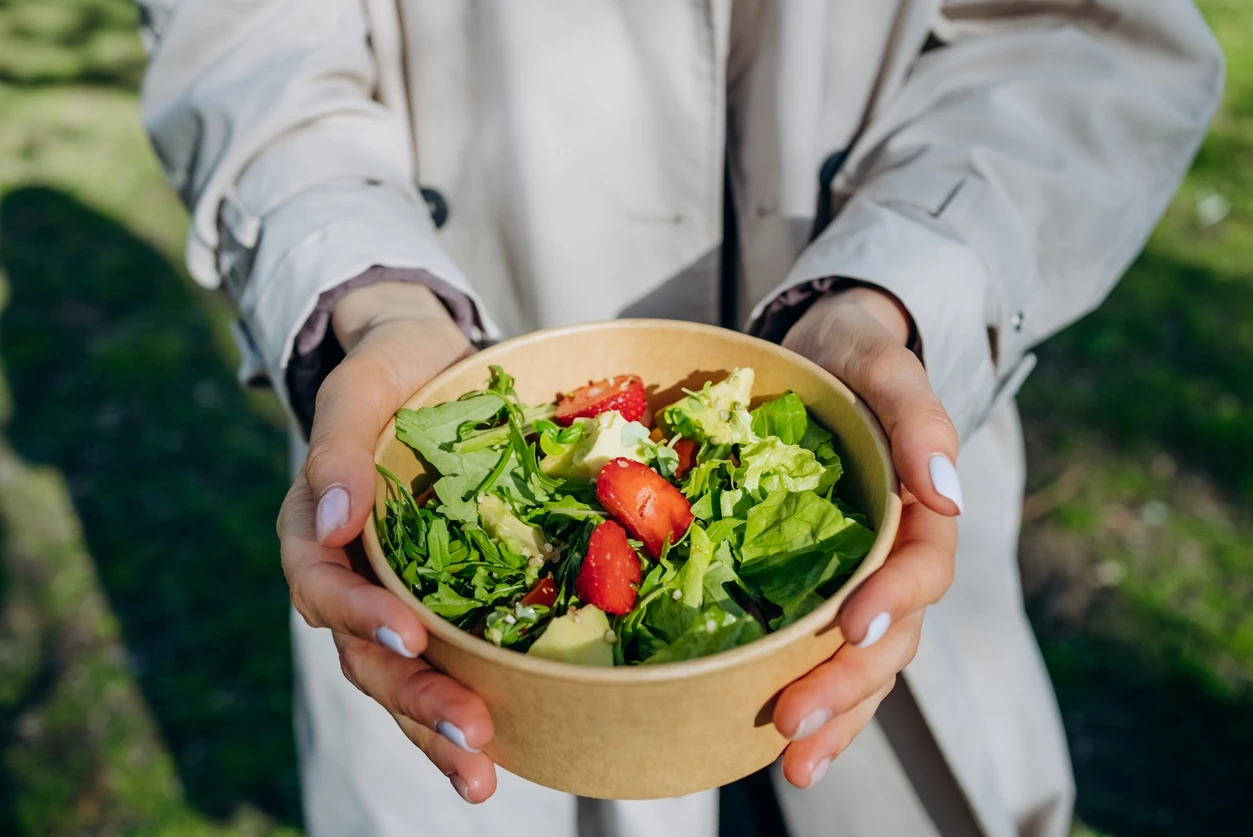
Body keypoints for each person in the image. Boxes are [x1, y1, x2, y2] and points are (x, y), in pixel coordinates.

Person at [136, 2, 1222, 835]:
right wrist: (364, 295)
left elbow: (1079, 37)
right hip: (483, 612)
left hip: (868, 569)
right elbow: (247, 42)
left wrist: (909, 285)